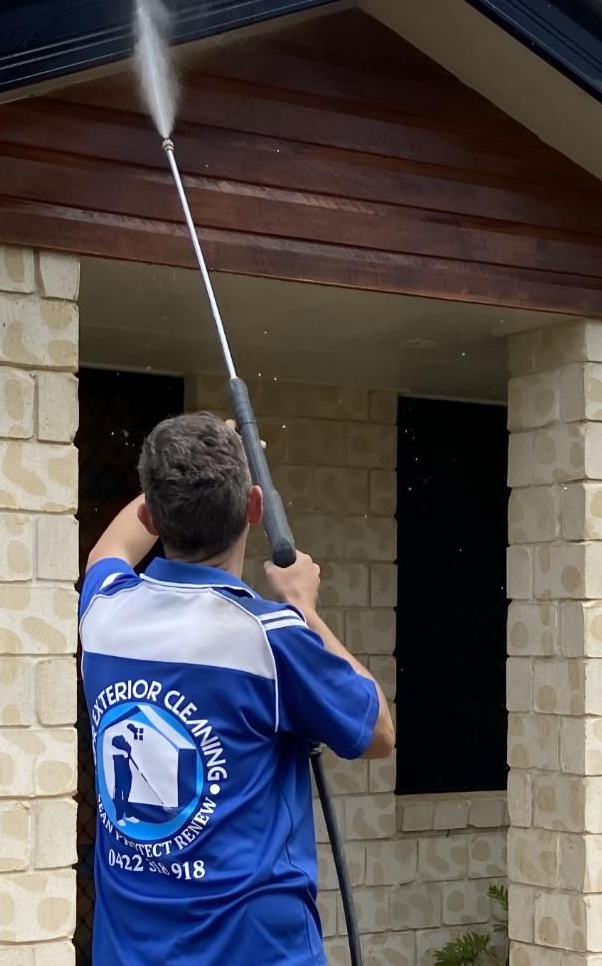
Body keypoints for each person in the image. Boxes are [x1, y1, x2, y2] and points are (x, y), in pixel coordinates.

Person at [81, 412, 396, 966]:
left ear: (153, 513)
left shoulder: (106, 612)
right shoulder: (273, 639)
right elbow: (378, 733)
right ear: (254, 506)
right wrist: (303, 607)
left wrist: (177, 471)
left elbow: (108, 550)